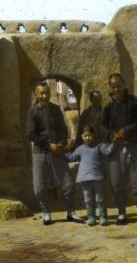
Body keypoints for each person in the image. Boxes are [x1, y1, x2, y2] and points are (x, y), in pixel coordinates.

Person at [27, 80, 85, 225]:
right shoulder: (33, 112)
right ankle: (46, 212)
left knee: (67, 183)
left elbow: (63, 129)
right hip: (40, 152)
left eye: (46, 93)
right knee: (39, 186)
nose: (45, 96)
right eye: (41, 93)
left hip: (57, 151)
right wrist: (48, 145)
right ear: (36, 94)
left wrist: (61, 143)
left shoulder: (56, 109)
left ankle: (71, 212)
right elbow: (31, 135)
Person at [100, 73, 137, 227]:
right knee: (117, 182)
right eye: (113, 86)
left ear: (124, 84)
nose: (117, 89)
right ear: (111, 88)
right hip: (115, 150)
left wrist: (126, 131)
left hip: (133, 147)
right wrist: (110, 135)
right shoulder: (108, 106)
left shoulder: (135, 102)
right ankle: (122, 213)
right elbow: (101, 126)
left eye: (119, 85)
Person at [65, 125, 117, 226]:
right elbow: (71, 157)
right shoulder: (80, 149)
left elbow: (108, 151)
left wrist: (114, 142)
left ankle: (103, 217)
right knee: (88, 199)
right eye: (85, 136)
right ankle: (91, 217)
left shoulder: (99, 147)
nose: (87, 138)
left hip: (97, 178)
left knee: (100, 199)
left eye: (90, 135)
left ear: (93, 136)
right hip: (84, 179)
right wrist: (61, 152)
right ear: (81, 137)